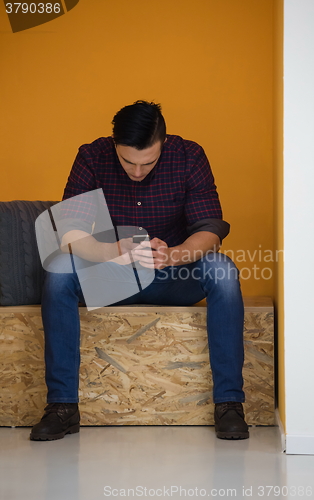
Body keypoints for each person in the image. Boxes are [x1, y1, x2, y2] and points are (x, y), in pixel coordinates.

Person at [30, 100, 249, 441]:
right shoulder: (92, 156)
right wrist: (110, 251)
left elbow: (211, 229)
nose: (136, 171)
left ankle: (230, 405)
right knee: (59, 269)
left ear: (163, 142)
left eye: (147, 162)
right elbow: (69, 231)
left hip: (172, 275)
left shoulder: (189, 156)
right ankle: (62, 407)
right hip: (109, 277)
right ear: (114, 144)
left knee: (223, 271)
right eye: (127, 161)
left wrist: (175, 254)